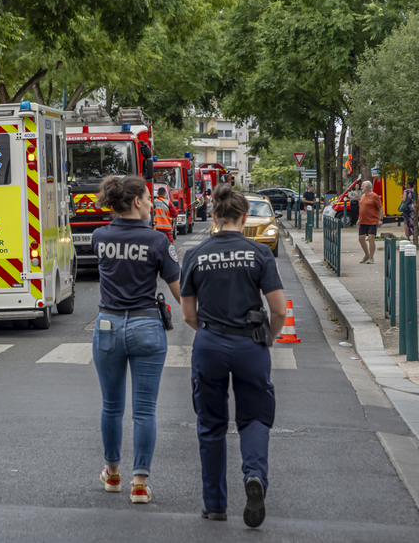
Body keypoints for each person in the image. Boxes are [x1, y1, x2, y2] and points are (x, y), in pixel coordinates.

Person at [180, 184, 287, 528]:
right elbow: (278, 309)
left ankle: (214, 505)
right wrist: (266, 339)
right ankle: (254, 476)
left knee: (210, 423)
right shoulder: (259, 254)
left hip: (210, 342)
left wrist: (209, 333)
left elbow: (187, 313)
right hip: (249, 345)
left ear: (213, 217)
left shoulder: (195, 255)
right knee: (254, 418)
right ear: (244, 217)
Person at [91, 175, 180, 505]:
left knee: (111, 407)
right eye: (148, 198)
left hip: (107, 325)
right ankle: (139, 482)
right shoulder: (157, 241)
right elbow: (178, 290)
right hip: (145, 325)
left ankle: (112, 474)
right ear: (138, 202)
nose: (152, 203)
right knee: (144, 411)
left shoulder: (100, 236)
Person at [358, 181, 384, 263]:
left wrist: (380, 219)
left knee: (370, 238)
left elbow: (381, 208)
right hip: (363, 221)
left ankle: (371, 257)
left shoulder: (374, 196)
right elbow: (361, 208)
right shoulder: (362, 196)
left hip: (372, 221)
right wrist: (359, 219)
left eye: (362, 186)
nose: (361, 187)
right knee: (361, 239)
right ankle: (367, 255)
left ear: (366, 187)